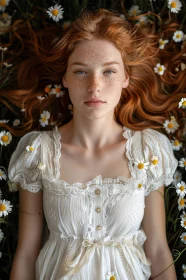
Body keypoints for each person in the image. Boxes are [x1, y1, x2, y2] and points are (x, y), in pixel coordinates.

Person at [7, 8, 180, 280]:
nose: (94, 85)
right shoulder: (39, 153)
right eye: (80, 72)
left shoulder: (147, 151)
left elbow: (158, 249)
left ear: (125, 78)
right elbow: (27, 253)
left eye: (109, 71)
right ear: (64, 78)